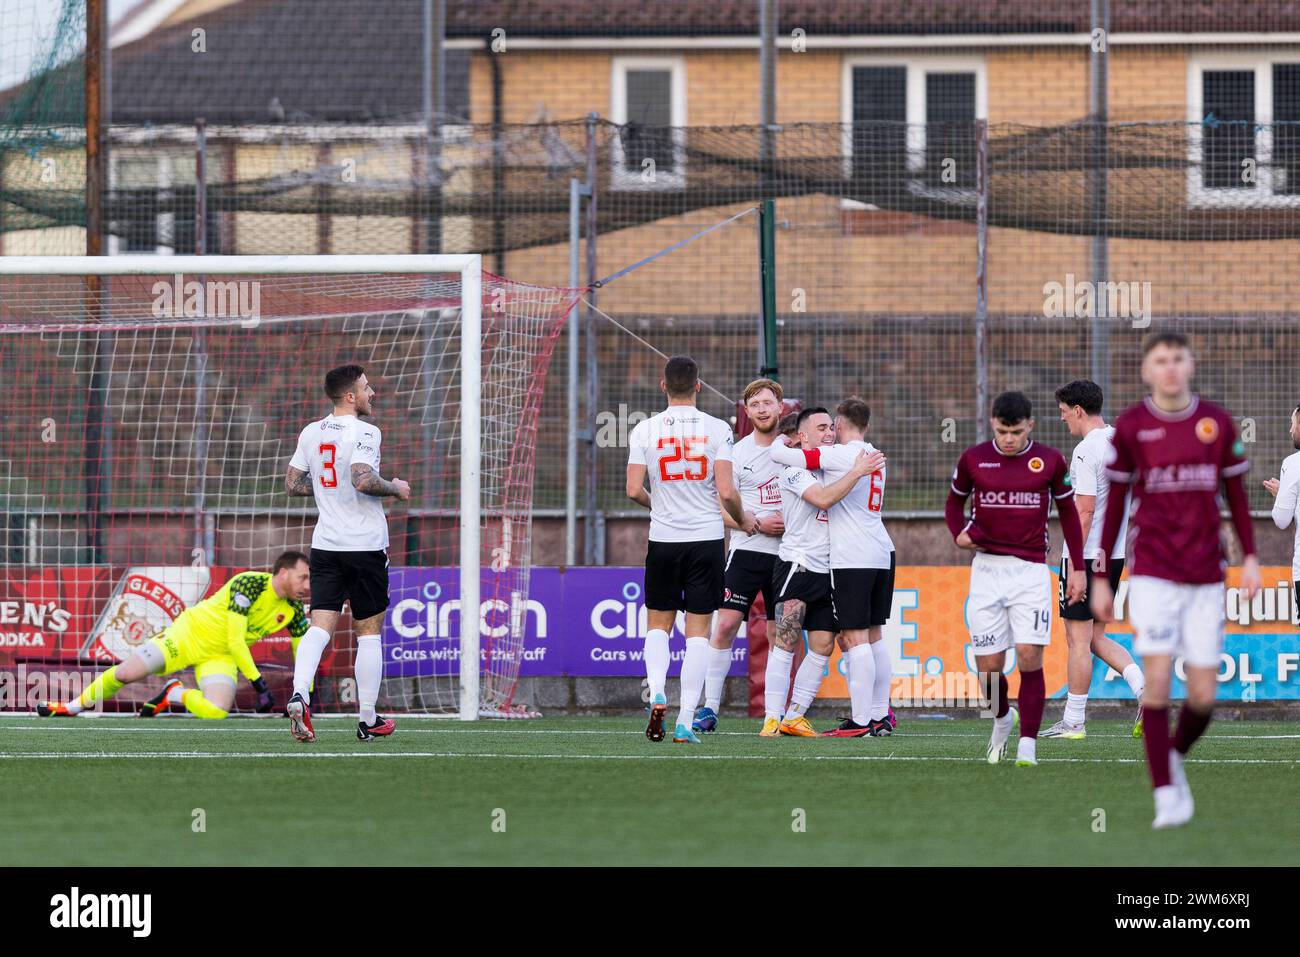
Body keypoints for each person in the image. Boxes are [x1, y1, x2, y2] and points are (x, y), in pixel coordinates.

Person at [1091, 332, 1260, 828]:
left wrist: (1250, 555)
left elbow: (1238, 497)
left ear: (1190, 365)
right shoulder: (1132, 428)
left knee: (1205, 696)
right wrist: (1102, 575)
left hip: (1206, 574)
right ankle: (1164, 792)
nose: (1169, 368)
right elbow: (1115, 506)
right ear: (1146, 370)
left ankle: (1174, 757)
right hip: (1155, 574)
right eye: (1160, 360)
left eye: (1177, 359)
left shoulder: (1216, 422)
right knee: (1159, 681)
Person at [945, 391, 1086, 766]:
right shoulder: (974, 459)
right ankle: (1003, 719)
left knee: (1028, 656)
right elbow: (953, 503)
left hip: (1030, 572)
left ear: (1030, 427)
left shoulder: (1050, 461)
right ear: (993, 423)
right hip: (987, 571)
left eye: (1017, 432)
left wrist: (1079, 569)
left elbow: (1070, 514)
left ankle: (1028, 745)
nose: (1009, 439)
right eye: (1004, 431)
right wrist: (958, 532)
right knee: (988, 668)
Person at [284, 364, 409, 743]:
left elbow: (292, 484)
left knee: (320, 627)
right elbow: (362, 479)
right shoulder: (366, 431)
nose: (373, 394)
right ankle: (368, 718)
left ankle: (299, 694)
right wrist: (396, 487)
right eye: (367, 389)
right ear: (351, 396)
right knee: (368, 633)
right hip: (365, 546)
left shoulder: (311, 431)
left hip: (325, 546)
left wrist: (327, 489)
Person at [626, 355, 745, 744]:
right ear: (699, 385)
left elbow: (631, 489)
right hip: (706, 540)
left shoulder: (644, 429)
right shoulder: (717, 429)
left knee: (658, 626)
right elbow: (726, 491)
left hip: (663, 540)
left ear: (663, 386)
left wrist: (657, 504)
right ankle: (685, 719)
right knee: (698, 633)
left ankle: (657, 690)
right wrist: (742, 519)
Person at [38, 552, 311, 720]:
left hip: (220, 656)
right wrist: (260, 685)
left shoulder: (294, 609)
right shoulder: (249, 584)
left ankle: (174, 694)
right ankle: (71, 707)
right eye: (303, 578)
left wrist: (304, 695)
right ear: (283, 573)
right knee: (123, 674)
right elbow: (236, 640)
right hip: (187, 636)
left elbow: (304, 653)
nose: (307, 586)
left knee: (216, 712)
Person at [1046, 379, 1145, 739]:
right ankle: (1145, 693)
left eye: (1063, 413)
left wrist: (1073, 564)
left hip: (1085, 557)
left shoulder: (1087, 450)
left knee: (1077, 640)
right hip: (1113, 556)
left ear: (1078, 410)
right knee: (1094, 638)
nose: (1063, 421)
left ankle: (1073, 721)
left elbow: (1084, 512)